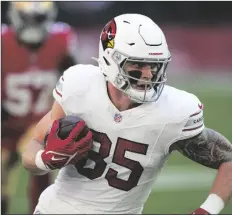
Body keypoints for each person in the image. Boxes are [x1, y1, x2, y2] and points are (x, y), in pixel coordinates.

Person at [22, 13, 232, 214]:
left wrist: (207, 210)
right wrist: (45, 160)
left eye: (154, 65)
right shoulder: (79, 87)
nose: (149, 74)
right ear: (110, 59)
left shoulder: (175, 111)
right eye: (138, 64)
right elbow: (34, 144)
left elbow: (228, 159)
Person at [2, 2, 79, 214]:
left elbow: (74, 80)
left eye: (39, 18)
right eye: (29, 18)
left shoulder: (61, 38)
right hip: (4, 124)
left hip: (40, 123)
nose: (34, 25)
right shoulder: (3, 41)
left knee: (40, 166)